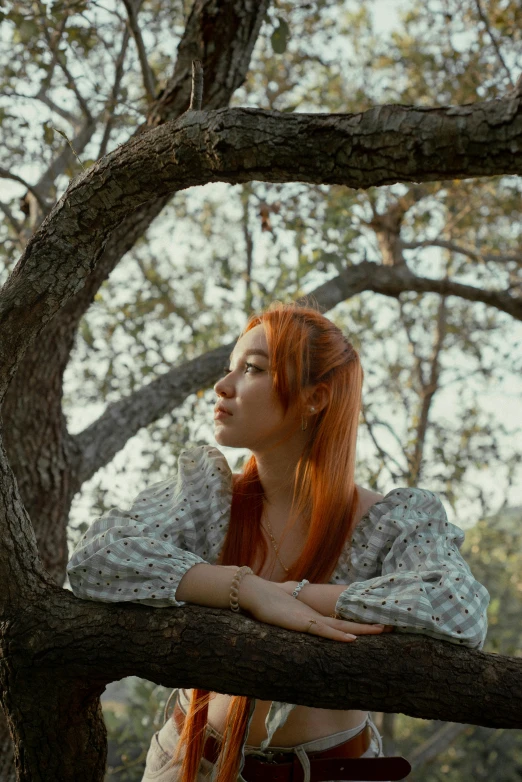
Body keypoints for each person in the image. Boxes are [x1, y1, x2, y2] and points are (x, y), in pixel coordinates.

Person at [67, 301, 490, 782]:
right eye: (230, 369)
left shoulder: (390, 520)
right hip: (189, 763)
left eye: (251, 369)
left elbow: (459, 609)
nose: (222, 387)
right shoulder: (206, 498)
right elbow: (94, 557)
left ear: (315, 398)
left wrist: (295, 596)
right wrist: (247, 589)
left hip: (337, 770)